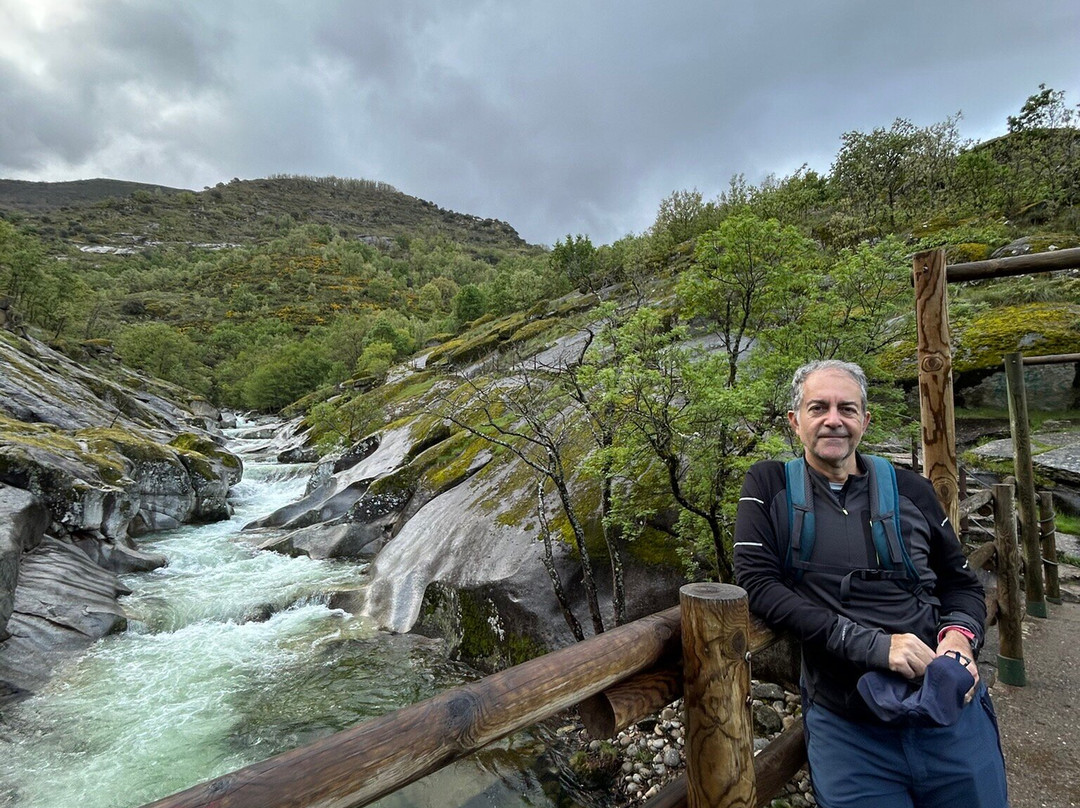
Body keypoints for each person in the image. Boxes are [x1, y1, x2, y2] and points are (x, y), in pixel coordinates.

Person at [734, 359, 1008, 808]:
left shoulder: (912, 490)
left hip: (947, 711)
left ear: (865, 419)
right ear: (794, 421)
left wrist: (959, 639)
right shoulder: (768, 486)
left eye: (847, 408)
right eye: (818, 407)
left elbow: (961, 585)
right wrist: (877, 646)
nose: (833, 419)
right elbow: (757, 583)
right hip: (848, 729)